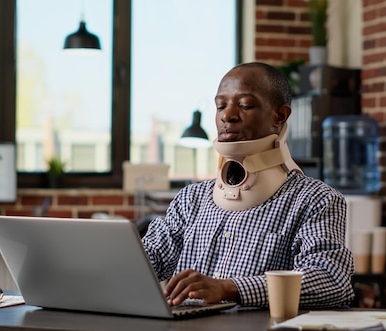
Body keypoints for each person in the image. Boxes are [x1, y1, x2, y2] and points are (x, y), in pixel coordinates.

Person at [142, 62, 355, 309]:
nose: (227, 115)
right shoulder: (191, 199)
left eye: (244, 105)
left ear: (280, 116)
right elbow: (147, 260)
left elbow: (331, 280)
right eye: (221, 106)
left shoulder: (315, 200)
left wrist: (228, 288)